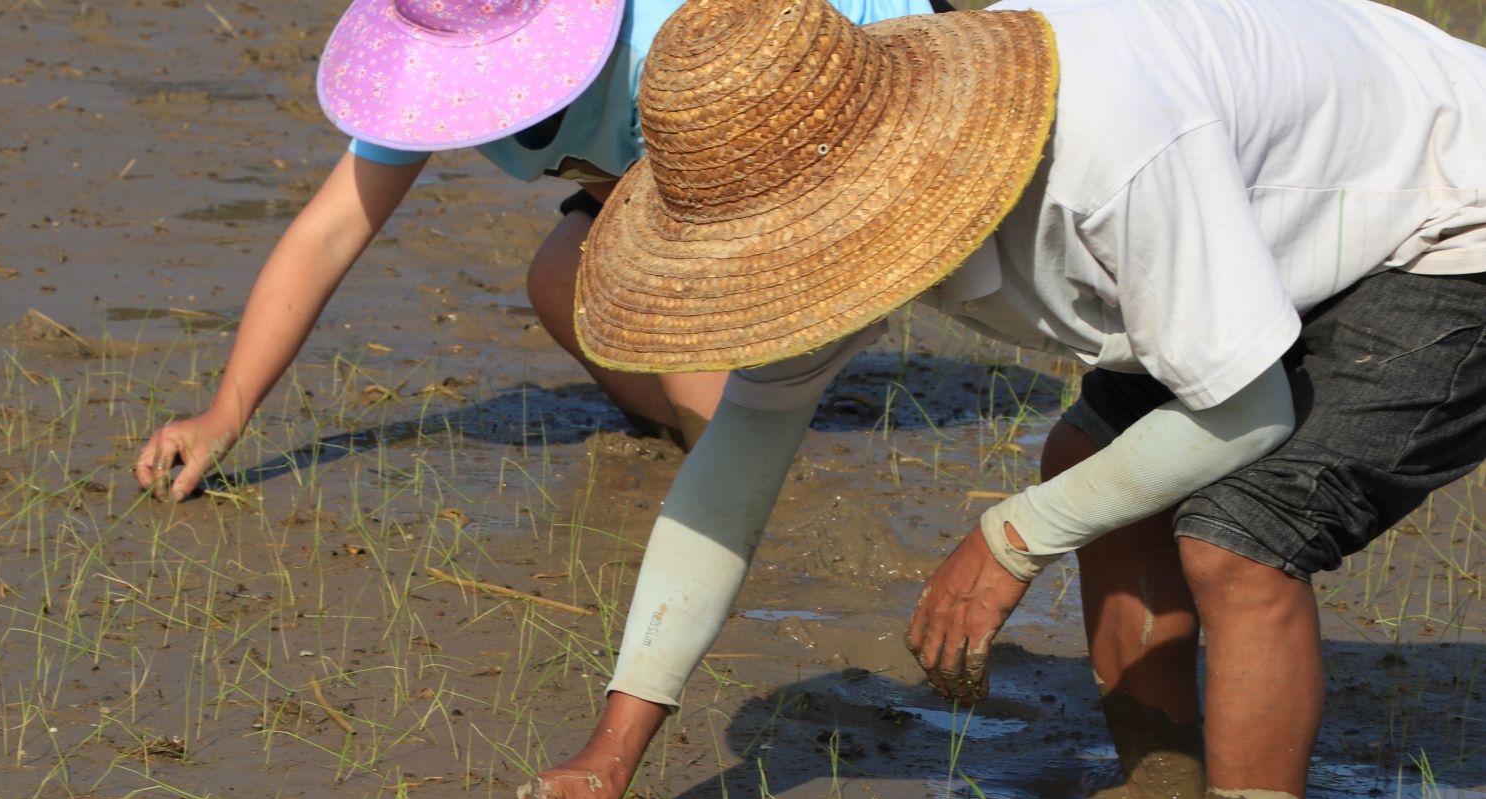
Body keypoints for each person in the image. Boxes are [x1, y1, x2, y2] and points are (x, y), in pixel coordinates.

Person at [498, 0, 1486, 799]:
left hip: (1443, 208)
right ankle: (1161, 795)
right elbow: (734, 464)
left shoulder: (1102, 152)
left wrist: (1012, 537)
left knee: (1240, 537)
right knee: (1084, 464)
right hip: (1277, 217)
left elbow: (1246, 411)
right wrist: (610, 749)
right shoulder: (834, 187)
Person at [132, 0, 949, 502]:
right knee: (563, 283)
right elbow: (327, 231)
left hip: (856, 140)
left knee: (681, 346)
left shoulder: (658, 48)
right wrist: (225, 414)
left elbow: (727, 219)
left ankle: (750, 461)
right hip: (685, 186)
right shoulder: (446, 46)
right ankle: (743, 427)